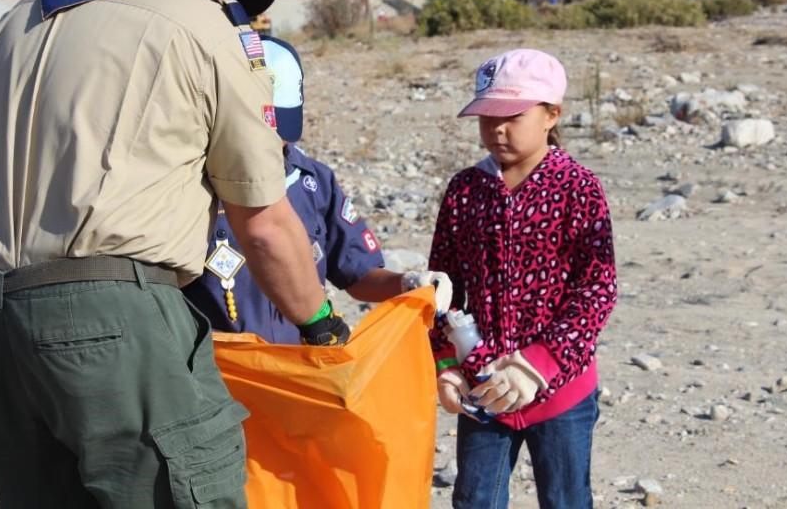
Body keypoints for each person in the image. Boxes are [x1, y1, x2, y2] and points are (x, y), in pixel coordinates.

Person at [0, 0, 346, 506]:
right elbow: (262, 220)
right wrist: (321, 325)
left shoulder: (18, 22)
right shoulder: (197, 20)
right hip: (114, 325)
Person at [428, 49, 617, 508]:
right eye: (486, 117)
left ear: (552, 114)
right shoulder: (465, 191)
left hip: (561, 391)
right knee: (474, 500)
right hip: (484, 386)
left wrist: (540, 363)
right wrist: (447, 365)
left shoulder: (578, 188)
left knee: (567, 499)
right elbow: (442, 288)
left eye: (512, 115)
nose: (497, 129)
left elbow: (597, 288)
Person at [184, 36, 453, 342]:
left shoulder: (313, 182)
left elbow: (358, 274)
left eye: (279, 129)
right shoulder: (191, 187)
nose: (270, 142)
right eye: (260, 129)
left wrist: (408, 282)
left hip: (302, 368)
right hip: (220, 373)